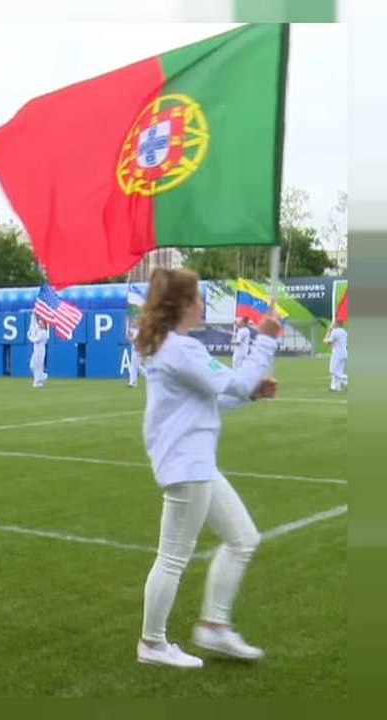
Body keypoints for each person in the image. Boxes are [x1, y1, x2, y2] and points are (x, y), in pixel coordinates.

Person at [134, 268, 281, 669]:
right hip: (188, 465)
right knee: (172, 558)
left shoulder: (175, 348)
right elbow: (233, 383)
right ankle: (152, 643)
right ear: (182, 304)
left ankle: (214, 627)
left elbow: (213, 402)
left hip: (195, 463)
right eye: (197, 297)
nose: (201, 303)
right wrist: (265, 339)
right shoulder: (180, 350)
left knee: (243, 539)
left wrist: (250, 393)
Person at [325, 319, 348, 392]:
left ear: (337, 324)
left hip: (337, 352)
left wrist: (326, 339)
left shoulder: (334, 331)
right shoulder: (344, 332)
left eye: (334, 323)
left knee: (333, 370)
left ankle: (346, 379)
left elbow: (330, 342)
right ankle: (335, 387)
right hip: (344, 352)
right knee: (339, 370)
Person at [28, 316, 49, 388]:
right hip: (36, 350)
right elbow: (33, 323)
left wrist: (30, 337)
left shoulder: (43, 333)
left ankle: (38, 382)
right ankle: (43, 376)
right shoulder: (38, 330)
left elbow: (36, 340)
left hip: (40, 350)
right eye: (39, 323)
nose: (40, 325)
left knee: (38, 366)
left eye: (41, 323)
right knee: (32, 365)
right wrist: (33, 315)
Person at [127, 315, 144, 388]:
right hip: (135, 349)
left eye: (136, 320)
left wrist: (133, 340)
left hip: (139, 349)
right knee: (135, 366)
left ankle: (133, 382)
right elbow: (129, 337)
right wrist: (130, 339)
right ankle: (133, 382)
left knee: (135, 366)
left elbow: (138, 340)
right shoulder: (133, 329)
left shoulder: (141, 331)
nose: (135, 322)